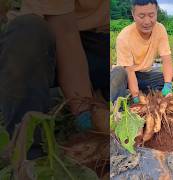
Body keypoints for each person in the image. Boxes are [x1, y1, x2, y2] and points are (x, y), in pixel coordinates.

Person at [0, 0, 109, 159]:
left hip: (101, 37)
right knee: (26, 34)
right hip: (51, 37)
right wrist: (85, 111)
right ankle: (30, 155)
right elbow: (65, 33)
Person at [110, 0, 173, 103]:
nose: (147, 21)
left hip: (142, 75)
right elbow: (129, 71)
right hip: (125, 75)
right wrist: (136, 97)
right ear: (133, 14)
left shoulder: (160, 29)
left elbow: (167, 59)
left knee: (166, 78)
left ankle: (134, 93)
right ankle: (126, 96)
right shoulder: (124, 37)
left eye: (151, 15)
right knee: (118, 73)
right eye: (142, 16)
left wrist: (168, 85)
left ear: (156, 12)